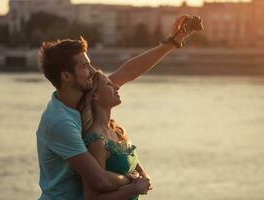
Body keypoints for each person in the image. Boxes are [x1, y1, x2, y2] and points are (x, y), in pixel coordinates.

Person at [36, 15, 202, 200]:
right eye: (85, 66)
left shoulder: (87, 95)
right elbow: (99, 180)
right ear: (67, 77)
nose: (93, 71)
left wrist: (173, 41)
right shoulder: (60, 122)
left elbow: (128, 71)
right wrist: (133, 181)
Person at [76, 70, 151, 200]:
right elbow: (92, 198)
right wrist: (133, 188)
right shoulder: (96, 142)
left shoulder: (117, 131)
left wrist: (145, 180)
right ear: (95, 96)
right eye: (108, 84)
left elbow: (142, 173)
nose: (116, 87)